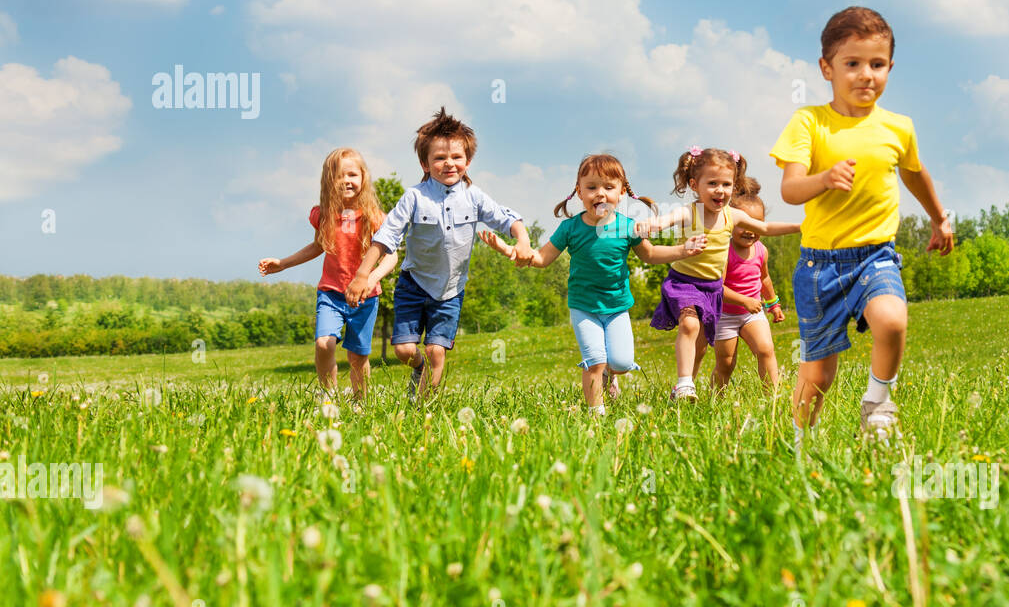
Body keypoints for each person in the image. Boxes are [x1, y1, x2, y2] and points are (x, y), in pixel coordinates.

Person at [769, 6, 953, 444]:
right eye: (852, 64)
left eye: (878, 64)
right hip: (820, 266)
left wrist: (938, 218)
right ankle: (800, 443)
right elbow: (790, 190)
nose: (866, 74)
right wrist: (825, 178)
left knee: (892, 321)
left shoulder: (898, 127)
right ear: (827, 68)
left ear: (890, 67)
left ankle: (878, 405)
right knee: (819, 372)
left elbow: (913, 172)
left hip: (876, 254)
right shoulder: (809, 122)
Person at [478, 153, 705, 415]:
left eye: (609, 187)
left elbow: (651, 254)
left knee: (620, 362)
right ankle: (596, 414)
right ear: (579, 192)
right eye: (592, 187)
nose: (600, 194)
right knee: (594, 360)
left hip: (617, 306)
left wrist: (683, 250)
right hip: (583, 306)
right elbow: (540, 258)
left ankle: (612, 373)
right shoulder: (569, 228)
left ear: (621, 193)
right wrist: (509, 250)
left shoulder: (628, 227)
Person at [345, 108, 534, 398]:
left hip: (450, 290)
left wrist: (522, 241)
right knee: (404, 350)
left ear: (468, 161)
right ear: (424, 162)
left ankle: (422, 407)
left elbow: (507, 219)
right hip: (414, 284)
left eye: (457, 157)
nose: (449, 164)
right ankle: (417, 368)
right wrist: (362, 275)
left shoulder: (474, 197)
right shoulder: (415, 197)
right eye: (440, 158)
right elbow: (386, 236)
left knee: (436, 350)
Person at [634, 147, 800, 402]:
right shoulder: (689, 213)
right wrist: (650, 226)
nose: (720, 190)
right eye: (712, 183)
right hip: (684, 283)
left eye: (726, 184)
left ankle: (769, 399)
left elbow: (765, 227)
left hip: (712, 290)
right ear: (694, 184)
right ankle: (684, 384)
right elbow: (665, 221)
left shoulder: (732, 215)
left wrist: (801, 226)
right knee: (689, 326)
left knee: (716, 348)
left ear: (734, 187)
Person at [258, 147, 397, 403]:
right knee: (324, 343)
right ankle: (329, 398)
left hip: (365, 298)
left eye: (352, 174)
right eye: (339, 175)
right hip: (331, 293)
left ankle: (360, 403)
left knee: (357, 357)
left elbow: (391, 256)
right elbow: (318, 246)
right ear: (328, 181)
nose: (346, 180)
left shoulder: (375, 218)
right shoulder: (323, 215)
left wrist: (371, 278)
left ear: (363, 178)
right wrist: (283, 263)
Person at [711, 184, 786, 393]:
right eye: (744, 223)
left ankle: (772, 397)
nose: (751, 230)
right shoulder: (724, 251)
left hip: (752, 314)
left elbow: (764, 279)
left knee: (766, 350)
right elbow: (717, 288)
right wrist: (744, 301)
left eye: (757, 224)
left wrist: (773, 305)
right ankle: (716, 398)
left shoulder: (761, 250)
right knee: (726, 364)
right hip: (725, 314)